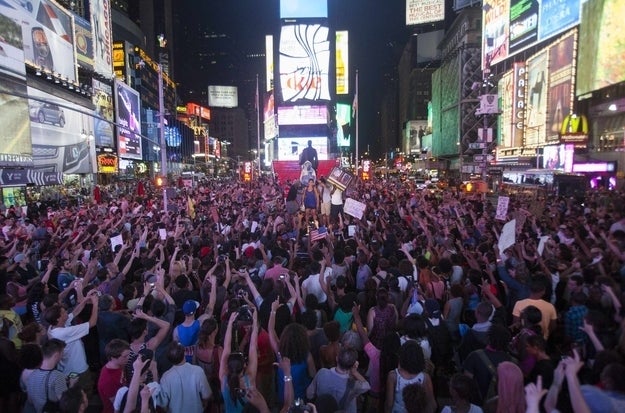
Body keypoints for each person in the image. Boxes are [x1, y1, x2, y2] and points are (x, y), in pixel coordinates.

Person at [306, 347, 371, 413]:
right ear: (353, 365)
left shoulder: (322, 372)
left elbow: (309, 394)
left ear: (337, 358)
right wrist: (354, 372)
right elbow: (367, 386)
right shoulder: (353, 385)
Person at [158, 341, 212, 413]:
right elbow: (207, 395)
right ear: (184, 353)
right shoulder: (197, 371)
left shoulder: (166, 377)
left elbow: (162, 404)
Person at [26, 338, 68, 413]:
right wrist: (72, 384)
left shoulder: (31, 375)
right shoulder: (57, 376)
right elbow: (65, 404)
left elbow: (30, 401)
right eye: (62, 353)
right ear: (56, 355)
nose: (63, 355)